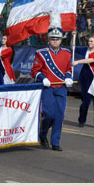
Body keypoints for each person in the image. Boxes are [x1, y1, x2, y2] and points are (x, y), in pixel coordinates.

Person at [31, 12, 73, 151]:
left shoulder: (67, 53)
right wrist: (43, 79)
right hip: (48, 87)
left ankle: (56, 142)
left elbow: (68, 69)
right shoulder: (41, 53)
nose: (55, 41)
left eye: (57, 39)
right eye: (53, 39)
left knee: (60, 115)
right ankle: (43, 134)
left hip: (61, 87)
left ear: (61, 40)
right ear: (48, 39)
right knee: (49, 114)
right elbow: (34, 71)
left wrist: (68, 77)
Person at [72, 33, 94, 128]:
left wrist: (78, 62)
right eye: (89, 41)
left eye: (91, 41)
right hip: (86, 78)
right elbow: (73, 47)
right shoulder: (85, 50)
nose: (89, 43)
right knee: (85, 101)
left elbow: (91, 60)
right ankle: (82, 120)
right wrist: (73, 36)